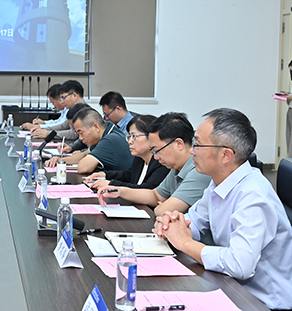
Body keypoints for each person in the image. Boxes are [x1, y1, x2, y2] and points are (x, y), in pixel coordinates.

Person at [154, 108, 292, 310]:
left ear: (226, 155)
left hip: (261, 303)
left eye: (198, 144)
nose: (192, 151)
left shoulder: (254, 195)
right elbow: (194, 222)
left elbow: (240, 265)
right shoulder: (219, 182)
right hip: (228, 286)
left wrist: (184, 242)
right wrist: (173, 225)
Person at [97, 112, 211, 217]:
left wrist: (163, 206)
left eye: (157, 150)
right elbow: (155, 195)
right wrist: (121, 191)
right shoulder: (176, 167)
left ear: (179, 144)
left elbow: (161, 211)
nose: (155, 157)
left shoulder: (198, 170)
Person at [85, 114, 170, 190]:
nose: (130, 141)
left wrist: (112, 184)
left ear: (151, 137)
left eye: (134, 136)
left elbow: (146, 189)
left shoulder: (161, 162)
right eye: (129, 136)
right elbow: (128, 175)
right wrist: (104, 175)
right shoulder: (140, 158)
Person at [46, 107, 133, 175]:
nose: (80, 138)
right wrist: (61, 160)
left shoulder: (110, 139)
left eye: (81, 133)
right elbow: (85, 154)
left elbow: (83, 168)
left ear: (96, 127)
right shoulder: (106, 132)